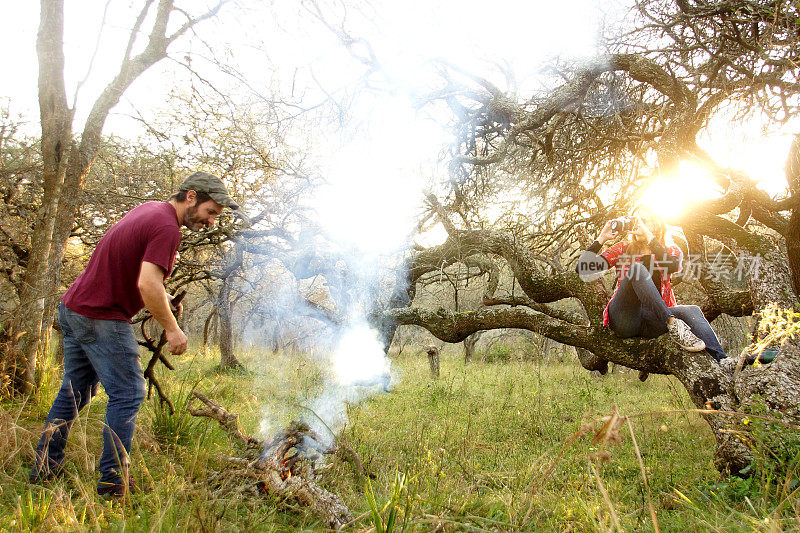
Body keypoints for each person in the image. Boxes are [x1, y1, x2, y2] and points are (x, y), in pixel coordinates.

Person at [30, 171, 239, 496]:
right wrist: (172, 329)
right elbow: (146, 283)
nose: (211, 221)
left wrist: (165, 299)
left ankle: (44, 469)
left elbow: (132, 270)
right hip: (100, 316)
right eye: (210, 212)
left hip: (72, 308)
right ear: (192, 197)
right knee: (129, 393)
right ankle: (113, 485)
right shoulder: (167, 227)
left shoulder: (150, 210)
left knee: (75, 393)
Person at [577, 210, 727, 362]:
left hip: (654, 319)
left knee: (692, 310)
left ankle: (723, 361)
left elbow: (673, 265)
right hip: (626, 318)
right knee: (637, 269)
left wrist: (649, 237)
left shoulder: (670, 250)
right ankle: (673, 324)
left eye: (644, 219)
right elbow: (583, 269)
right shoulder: (623, 249)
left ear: (657, 225)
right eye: (636, 219)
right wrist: (602, 238)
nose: (638, 223)